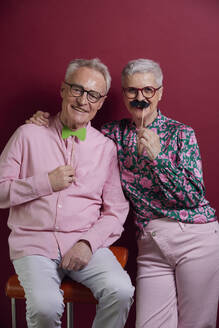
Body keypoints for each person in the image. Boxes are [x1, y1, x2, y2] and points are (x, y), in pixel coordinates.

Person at [26, 58, 219, 328]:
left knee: (197, 324)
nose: (140, 97)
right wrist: (44, 122)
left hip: (196, 237)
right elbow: (78, 129)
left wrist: (159, 157)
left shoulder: (181, 134)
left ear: (159, 92)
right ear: (124, 93)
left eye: (148, 90)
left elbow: (193, 197)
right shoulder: (113, 135)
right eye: (132, 91)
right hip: (151, 240)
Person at [0, 58, 135, 328]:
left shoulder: (105, 149)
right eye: (77, 89)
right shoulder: (27, 134)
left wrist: (87, 243)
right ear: (63, 90)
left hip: (84, 242)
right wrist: (45, 182)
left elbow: (116, 210)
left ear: (100, 102)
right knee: (45, 308)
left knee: (121, 291)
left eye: (93, 95)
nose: (83, 100)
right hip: (34, 245)